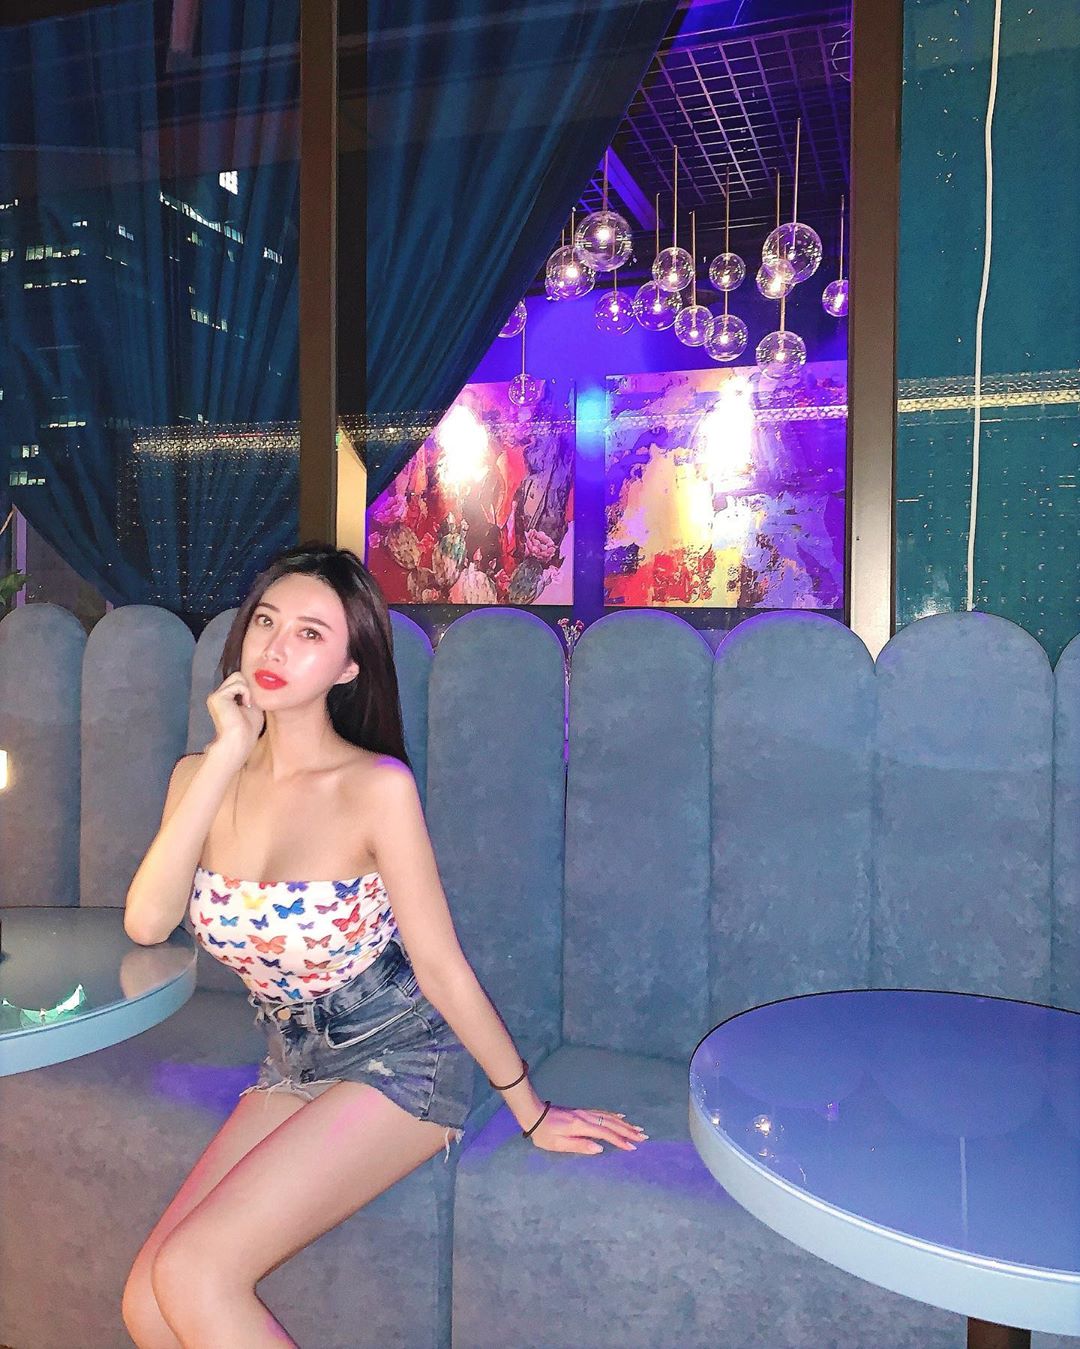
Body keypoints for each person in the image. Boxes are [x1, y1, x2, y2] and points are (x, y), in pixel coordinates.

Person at [120, 542, 647, 1348]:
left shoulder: (376, 788)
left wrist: (530, 1109)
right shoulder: (200, 776)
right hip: (292, 1061)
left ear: (348, 667)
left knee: (194, 1273)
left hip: (404, 1061)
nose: (275, 646)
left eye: (309, 633)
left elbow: (440, 965)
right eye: (266, 622)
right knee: (146, 1302)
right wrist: (225, 754)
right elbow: (148, 921)